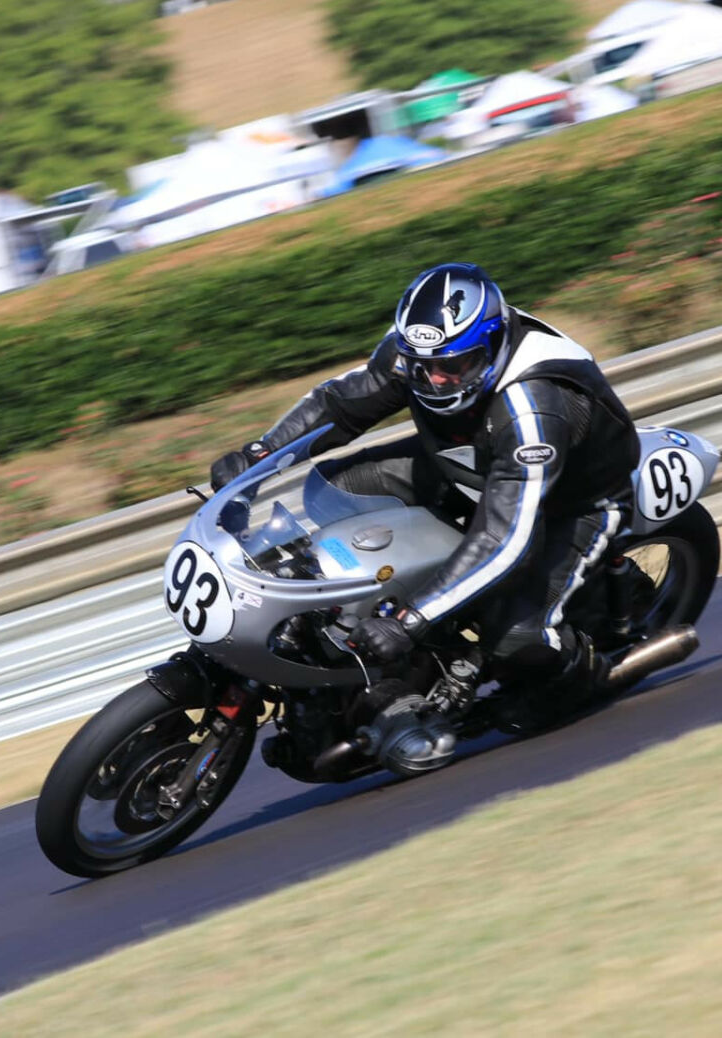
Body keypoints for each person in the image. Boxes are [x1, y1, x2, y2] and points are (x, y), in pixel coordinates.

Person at [209, 262, 642, 774]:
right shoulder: (420, 352)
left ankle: (577, 679)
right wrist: (259, 456)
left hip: (568, 502)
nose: (436, 379)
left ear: (494, 346)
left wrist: (411, 619)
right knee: (331, 489)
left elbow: (507, 536)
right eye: (424, 366)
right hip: (468, 466)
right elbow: (340, 405)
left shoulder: (534, 407)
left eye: (455, 367)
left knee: (514, 639)